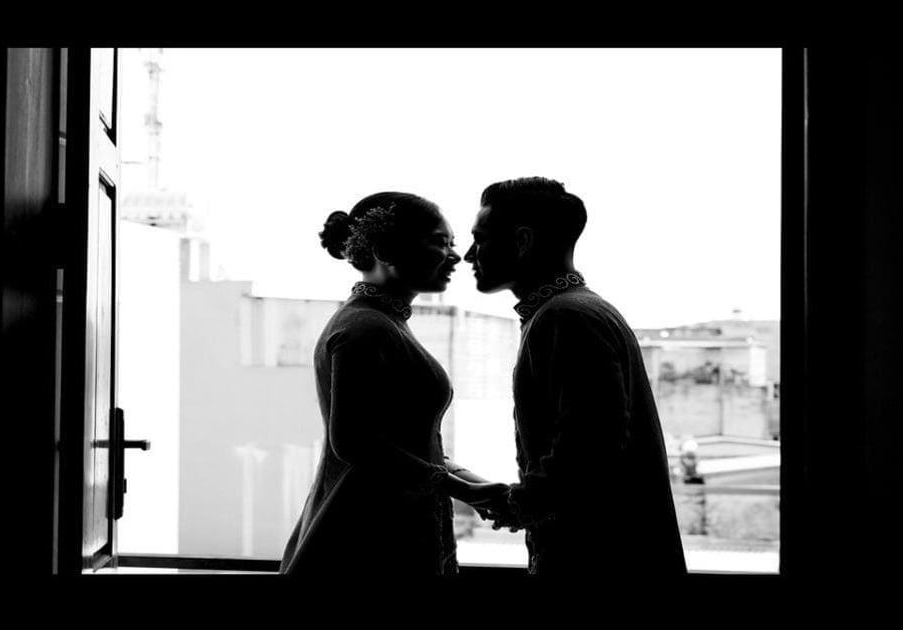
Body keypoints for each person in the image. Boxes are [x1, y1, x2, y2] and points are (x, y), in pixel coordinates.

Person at [464, 177, 687, 576]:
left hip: (598, 562)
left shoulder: (566, 317)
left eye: (479, 239)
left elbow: (590, 445)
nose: (468, 255)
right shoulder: (575, 310)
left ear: (522, 241)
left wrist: (521, 504)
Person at [279, 192, 508, 575]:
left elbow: (410, 445)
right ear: (386, 249)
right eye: (440, 241)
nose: (455, 255)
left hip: (385, 520)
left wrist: (479, 489)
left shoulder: (379, 323)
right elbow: (354, 442)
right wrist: (465, 490)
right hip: (368, 534)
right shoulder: (364, 329)